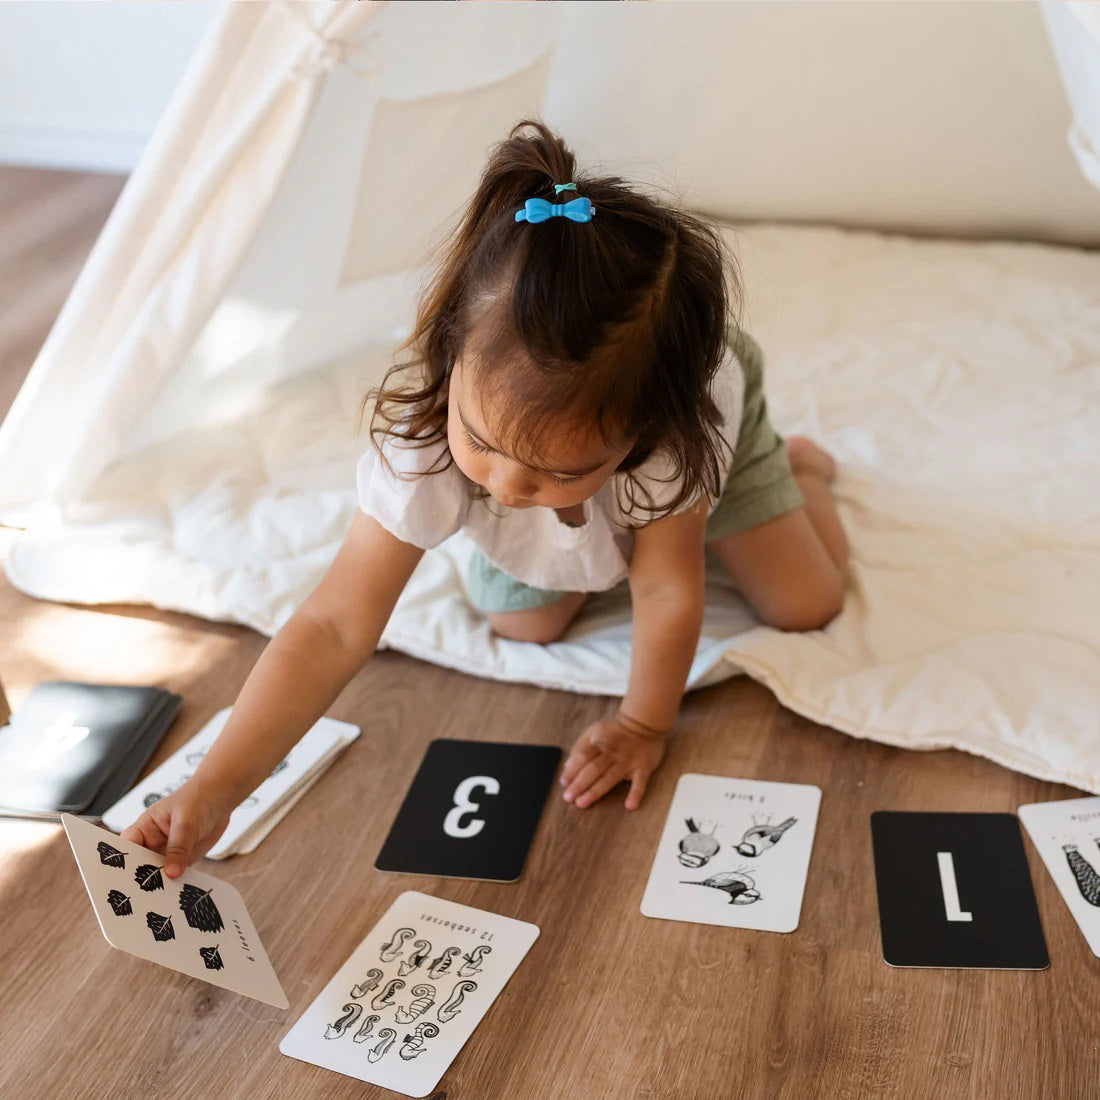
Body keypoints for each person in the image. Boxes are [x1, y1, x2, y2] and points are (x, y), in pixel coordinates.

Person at [121, 119, 848, 878]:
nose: (504, 487)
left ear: (637, 439)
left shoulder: (672, 443)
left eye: (554, 471)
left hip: (687, 464)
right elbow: (335, 624)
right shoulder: (429, 436)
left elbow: (667, 588)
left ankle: (805, 470)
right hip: (583, 467)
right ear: (449, 353)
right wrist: (215, 788)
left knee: (807, 603)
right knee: (524, 622)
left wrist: (643, 723)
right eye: (485, 445)